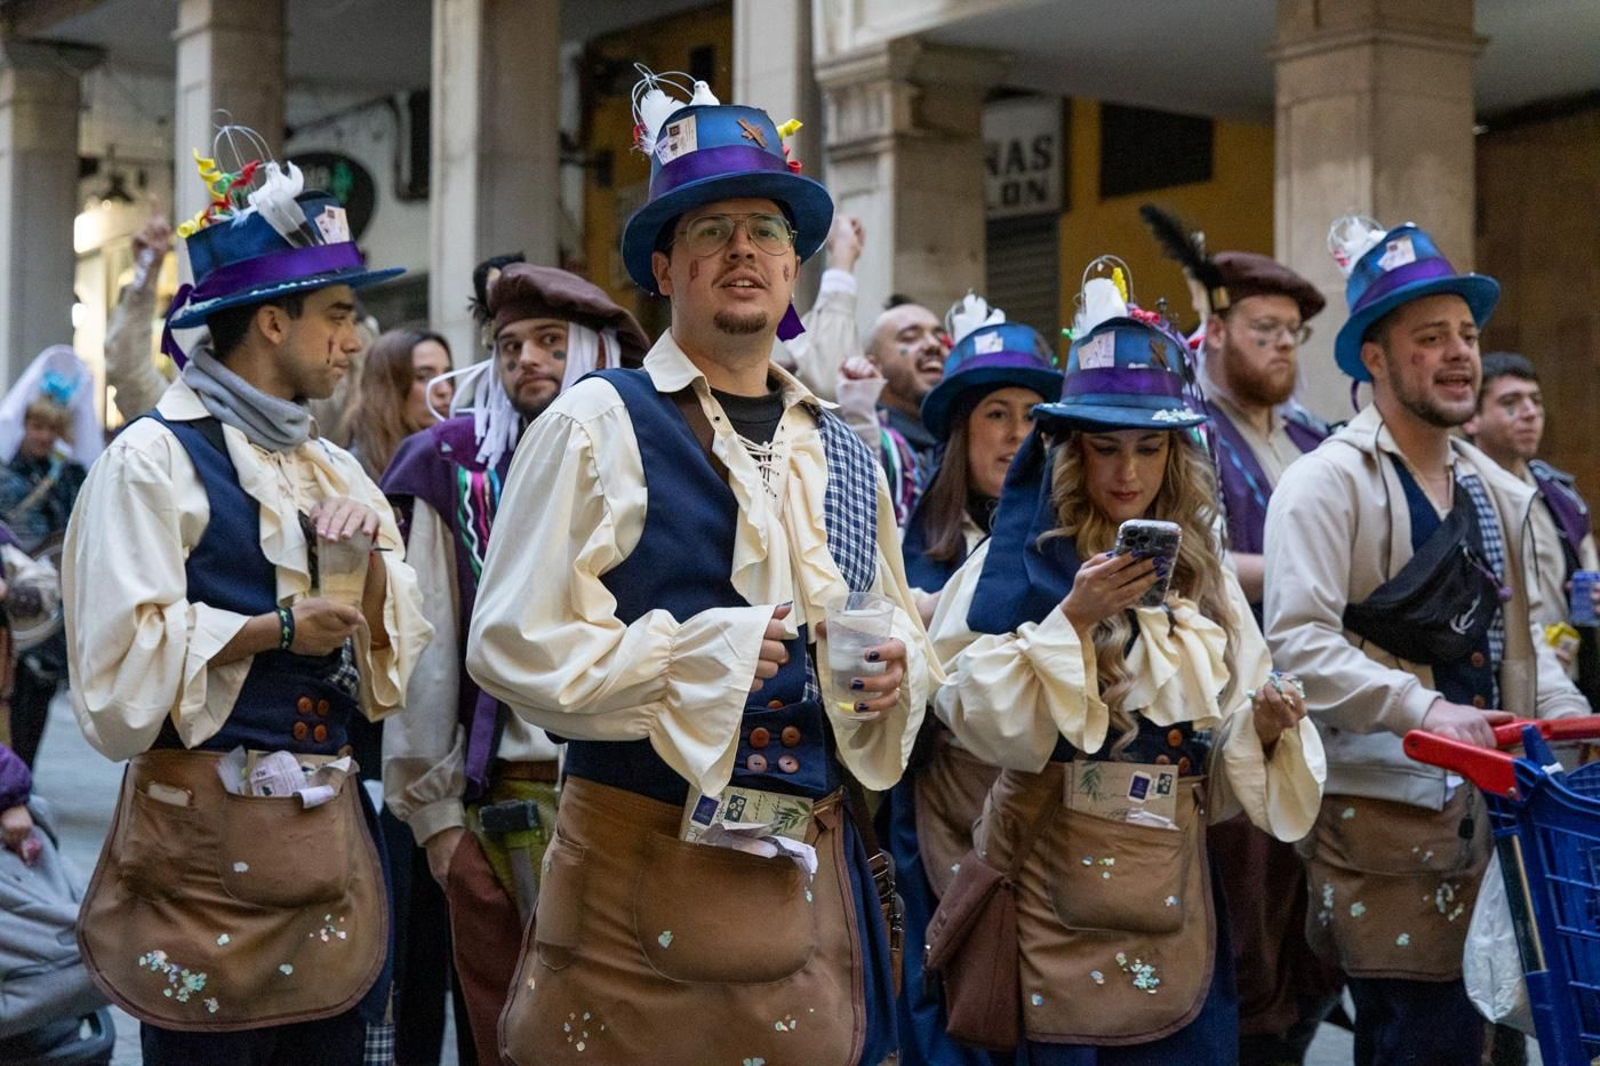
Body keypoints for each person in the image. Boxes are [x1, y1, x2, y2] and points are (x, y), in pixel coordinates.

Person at [466, 71, 935, 1065]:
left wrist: (898, 669)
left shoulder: (848, 449)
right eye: (711, 229)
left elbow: (894, 623)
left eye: (765, 230)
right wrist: (694, 655)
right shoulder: (596, 424)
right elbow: (510, 642)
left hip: (807, 871)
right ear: (665, 265)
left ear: (795, 266)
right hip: (637, 865)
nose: (743, 252)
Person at [64, 144, 429, 1065]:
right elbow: (115, 671)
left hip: (323, 854)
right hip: (202, 866)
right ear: (272, 321)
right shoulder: (150, 460)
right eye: (339, 316)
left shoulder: (332, 464)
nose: (354, 340)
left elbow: (391, 673)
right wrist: (274, 629)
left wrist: (372, 566)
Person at [927, 264, 1323, 1062]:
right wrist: (1072, 618)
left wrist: (1269, 726)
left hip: (1170, 891)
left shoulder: (1203, 569)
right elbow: (963, 704)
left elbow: (1235, 723)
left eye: (1149, 449)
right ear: (1072, 448)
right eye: (1105, 448)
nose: (1127, 474)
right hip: (1044, 889)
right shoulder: (1017, 559)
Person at [1263, 218, 1590, 1066]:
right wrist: (1424, 707)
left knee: (1507, 1043)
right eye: (1430, 337)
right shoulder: (1322, 482)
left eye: (1468, 336)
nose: (1458, 354)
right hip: (1385, 832)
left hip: (1508, 825)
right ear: (1373, 357)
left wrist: (1573, 721)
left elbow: (1521, 647)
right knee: (1421, 1045)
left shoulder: (1498, 489)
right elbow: (1297, 642)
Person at [381, 260, 647, 1062]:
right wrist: (433, 822)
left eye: (550, 341)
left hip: (640, 797)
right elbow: (424, 642)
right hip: (509, 795)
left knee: (629, 1029)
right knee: (509, 1033)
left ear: (597, 350)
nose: (525, 359)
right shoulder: (452, 461)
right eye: (507, 346)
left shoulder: (657, 452)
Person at [1142, 211, 1344, 1064]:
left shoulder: (1313, 438)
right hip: (1228, 705)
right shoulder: (1184, 435)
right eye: (1266, 331)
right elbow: (1198, 563)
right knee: (1249, 929)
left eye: (1294, 335)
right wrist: (1317, 578)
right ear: (1213, 330)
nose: (1285, 349)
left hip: (1321, 700)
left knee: (1315, 940)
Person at [883, 297, 1062, 1066]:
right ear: (961, 431)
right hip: (940, 823)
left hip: (1056, 835)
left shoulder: (1073, 545)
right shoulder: (908, 548)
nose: (1018, 432)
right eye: (996, 412)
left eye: (1034, 413)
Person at [1465, 351, 1600, 673]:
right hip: (1493, 682)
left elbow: (1590, 590)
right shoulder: (1455, 495)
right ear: (1471, 418)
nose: (1529, 413)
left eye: (1536, 401)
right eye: (1511, 403)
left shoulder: (1561, 497)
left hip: (1567, 677)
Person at [0, 348, 99, 770]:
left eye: (50, 428)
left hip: (49, 611)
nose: (41, 436)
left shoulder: (70, 477)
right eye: (36, 426)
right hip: (7, 601)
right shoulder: (5, 474)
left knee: (37, 695)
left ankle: (23, 776)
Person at [343, 327, 456, 480]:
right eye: (424, 377)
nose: (445, 389)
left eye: (448, 375)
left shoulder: (458, 456)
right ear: (387, 388)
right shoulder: (353, 471)